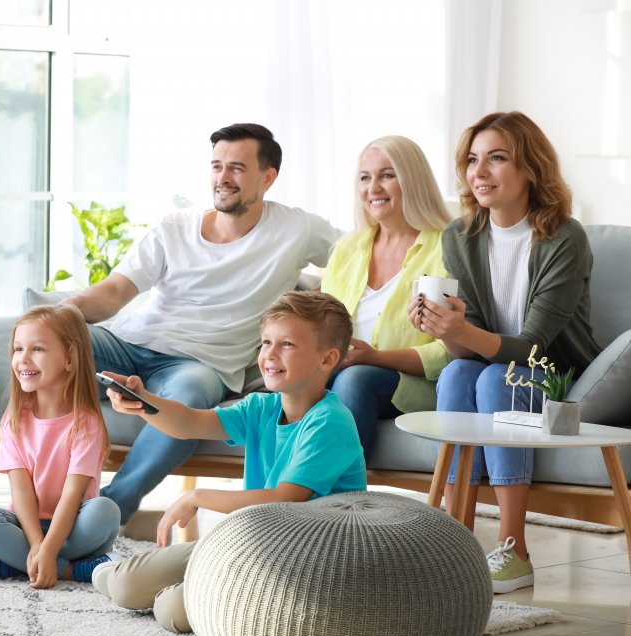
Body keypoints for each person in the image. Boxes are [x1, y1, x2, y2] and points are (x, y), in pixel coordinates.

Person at [65, 123, 341, 524]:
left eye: (237, 168)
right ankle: (41, 499)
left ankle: (109, 509)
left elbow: (362, 254)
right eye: (216, 166)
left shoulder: (297, 229)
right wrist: (64, 316)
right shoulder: (174, 227)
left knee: (190, 393)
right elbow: (113, 293)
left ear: (268, 178)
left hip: (199, 365)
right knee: (50, 341)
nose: (222, 178)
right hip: (127, 342)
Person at [91, 291, 366, 633]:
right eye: (266, 342)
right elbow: (191, 422)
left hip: (303, 561)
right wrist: (143, 401)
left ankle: (183, 588)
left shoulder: (330, 422)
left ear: (327, 360)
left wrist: (197, 496)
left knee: (172, 611)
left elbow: (283, 499)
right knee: (124, 586)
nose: (269, 354)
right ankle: (113, 574)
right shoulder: (262, 407)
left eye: (287, 345)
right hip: (256, 545)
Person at [412, 111, 600, 593]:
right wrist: (441, 328)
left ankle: (514, 549)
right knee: (456, 376)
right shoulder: (461, 235)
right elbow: (465, 347)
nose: (480, 172)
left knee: (498, 378)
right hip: (489, 367)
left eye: (497, 159)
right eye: (473, 161)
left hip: (554, 374)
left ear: (531, 169)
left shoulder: (564, 237)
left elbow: (535, 345)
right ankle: (455, 541)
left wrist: (460, 331)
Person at [0, 304, 121, 588]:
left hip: (75, 526)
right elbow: (20, 490)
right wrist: (38, 545)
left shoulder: (86, 423)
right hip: (26, 526)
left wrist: (50, 549)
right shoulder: (13, 421)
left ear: (69, 359)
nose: (23, 359)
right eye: (18, 349)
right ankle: (73, 570)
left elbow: (73, 495)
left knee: (105, 511)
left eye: (37, 349)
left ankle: (9, 562)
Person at [321, 135, 452, 463]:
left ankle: (342, 506)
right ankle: (280, 501)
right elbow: (318, 327)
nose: (373, 187)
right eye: (365, 178)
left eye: (387, 175)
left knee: (354, 379)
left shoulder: (449, 248)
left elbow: (449, 351)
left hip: (410, 384)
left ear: (413, 180)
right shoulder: (347, 250)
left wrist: (375, 357)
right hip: (340, 372)